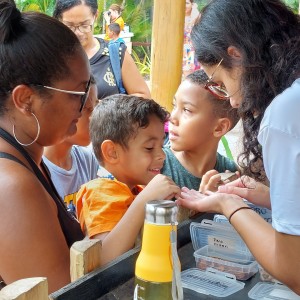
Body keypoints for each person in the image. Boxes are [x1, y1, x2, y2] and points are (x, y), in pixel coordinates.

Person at [176, 0, 300, 293]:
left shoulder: (284, 114)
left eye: (219, 83)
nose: (231, 101)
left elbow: (294, 269)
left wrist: (229, 204)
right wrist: (274, 199)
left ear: (235, 56)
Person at [0, 0, 91, 292]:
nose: (87, 104)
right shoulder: (11, 186)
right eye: (78, 92)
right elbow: (63, 293)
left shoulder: (25, 157)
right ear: (26, 100)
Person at [76, 95, 180, 265]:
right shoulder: (100, 191)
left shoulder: (135, 190)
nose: (161, 155)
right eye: (149, 148)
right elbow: (105, 257)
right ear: (112, 152)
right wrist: (144, 200)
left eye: (161, 145)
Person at [161, 69, 239, 220]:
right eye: (174, 105)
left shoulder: (230, 175)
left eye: (187, 110)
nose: (172, 118)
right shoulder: (157, 167)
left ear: (219, 128)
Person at [53, 0, 150, 100]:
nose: (78, 33)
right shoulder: (51, 56)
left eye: (84, 25)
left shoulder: (116, 52)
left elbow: (143, 97)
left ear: (95, 16)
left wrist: (105, 109)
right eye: (70, 26)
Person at [43, 76, 99, 209]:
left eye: (96, 107)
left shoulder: (87, 159)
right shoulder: (39, 169)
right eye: (86, 109)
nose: (94, 118)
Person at [182, 0, 200, 78]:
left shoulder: (196, 16)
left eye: (187, 3)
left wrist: (195, 9)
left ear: (192, 4)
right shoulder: (178, 18)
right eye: (183, 4)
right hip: (180, 47)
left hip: (191, 47)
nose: (185, 6)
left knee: (190, 68)